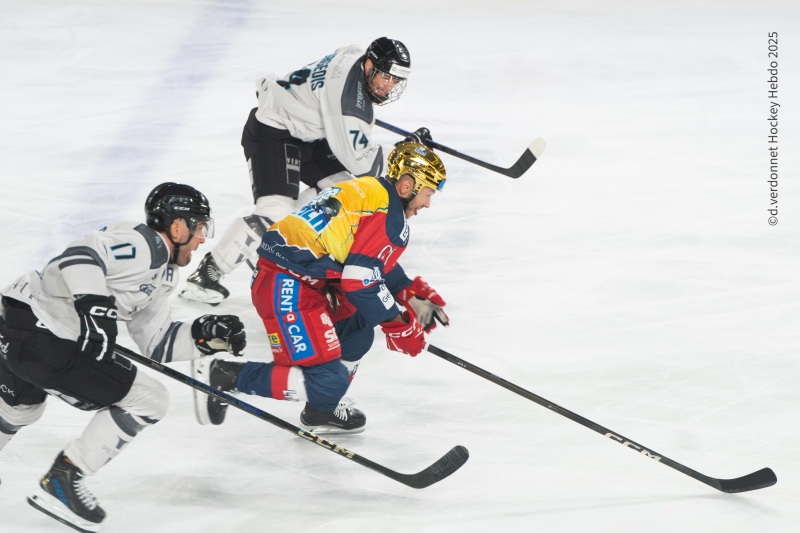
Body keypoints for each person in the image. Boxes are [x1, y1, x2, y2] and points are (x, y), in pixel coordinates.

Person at [0, 183, 246, 532]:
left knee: (16, 409)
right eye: (199, 227)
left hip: (19, 329)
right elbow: (80, 255)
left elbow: (157, 343)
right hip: (46, 336)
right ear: (177, 227)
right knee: (151, 399)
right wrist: (94, 306)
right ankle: (65, 478)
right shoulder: (144, 244)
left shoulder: (163, 274)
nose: (202, 238)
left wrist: (205, 336)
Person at [192, 141, 449, 434]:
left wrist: (407, 292)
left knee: (357, 331)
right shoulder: (390, 217)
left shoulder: (371, 189)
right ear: (406, 186)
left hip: (302, 278)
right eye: (428, 193)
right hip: (288, 286)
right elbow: (358, 280)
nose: (427, 204)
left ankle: (320, 411)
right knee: (328, 381)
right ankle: (223, 376)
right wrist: (398, 324)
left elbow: (366, 256)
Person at [180, 37, 431, 306]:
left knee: (346, 195)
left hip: (308, 133)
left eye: (394, 80)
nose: (388, 86)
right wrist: (405, 149)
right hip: (274, 132)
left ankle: (275, 247)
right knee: (273, 211)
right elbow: (364, 165)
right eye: (384, 76)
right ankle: (208, 273)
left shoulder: (355, 54)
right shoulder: (350, 104)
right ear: (369, 65)